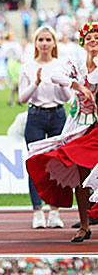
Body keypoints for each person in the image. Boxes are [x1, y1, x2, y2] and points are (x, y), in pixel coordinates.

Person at [26, 21, 98, 243]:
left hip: (95, 126)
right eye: (89, 39)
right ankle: (84, 225)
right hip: (78, 125)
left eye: (97, 38)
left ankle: (90, 218)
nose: (93, 42)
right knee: (79, 175)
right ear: (83, 43)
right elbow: (56, 75)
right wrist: (79, 87)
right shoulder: (76, 63)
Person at [18, 26, 72, 230]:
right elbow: (23, 98)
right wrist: (36, 82)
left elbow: (67, 98)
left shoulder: (61, 66)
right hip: (36, 116)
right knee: (35, 165)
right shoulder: (28, 67)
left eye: (48, 39)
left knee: (57, 166)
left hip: (58, 115)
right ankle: (37, 211)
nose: (44, 43)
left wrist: (61, 83)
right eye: (41, 39)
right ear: (36, 43)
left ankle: (55, 210)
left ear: (54, 43)